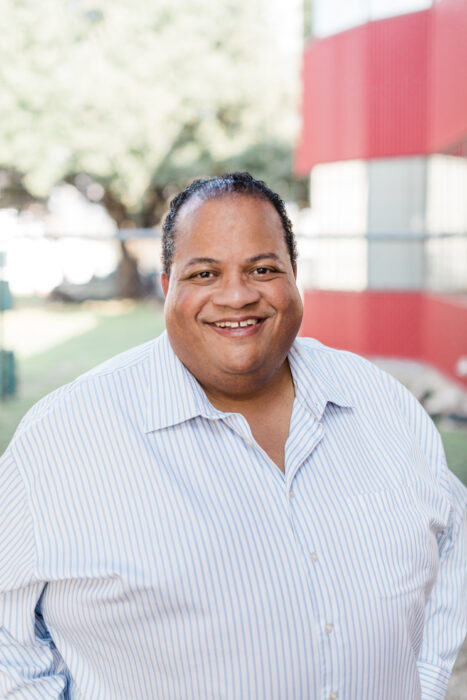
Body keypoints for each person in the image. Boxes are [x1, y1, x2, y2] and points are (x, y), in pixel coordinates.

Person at [0, 172, 465, 700]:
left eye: (262, 269)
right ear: (167, 286)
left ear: (294, 277)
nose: (238, 296)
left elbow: (453, 544)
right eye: (205, 273)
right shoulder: (64, 439)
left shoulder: (378, 402)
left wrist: (422, 684)